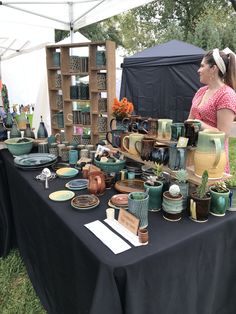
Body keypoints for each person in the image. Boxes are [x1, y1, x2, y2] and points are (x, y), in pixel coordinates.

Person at [188, 48, 236, 173]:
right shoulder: (201, 91)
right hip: (192, 153)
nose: (198, 70)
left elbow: (223, 134)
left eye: (202, 66)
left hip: (212, 157)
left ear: (213, 69)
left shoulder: (226, 95)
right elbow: (190, 120)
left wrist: (199, 124)